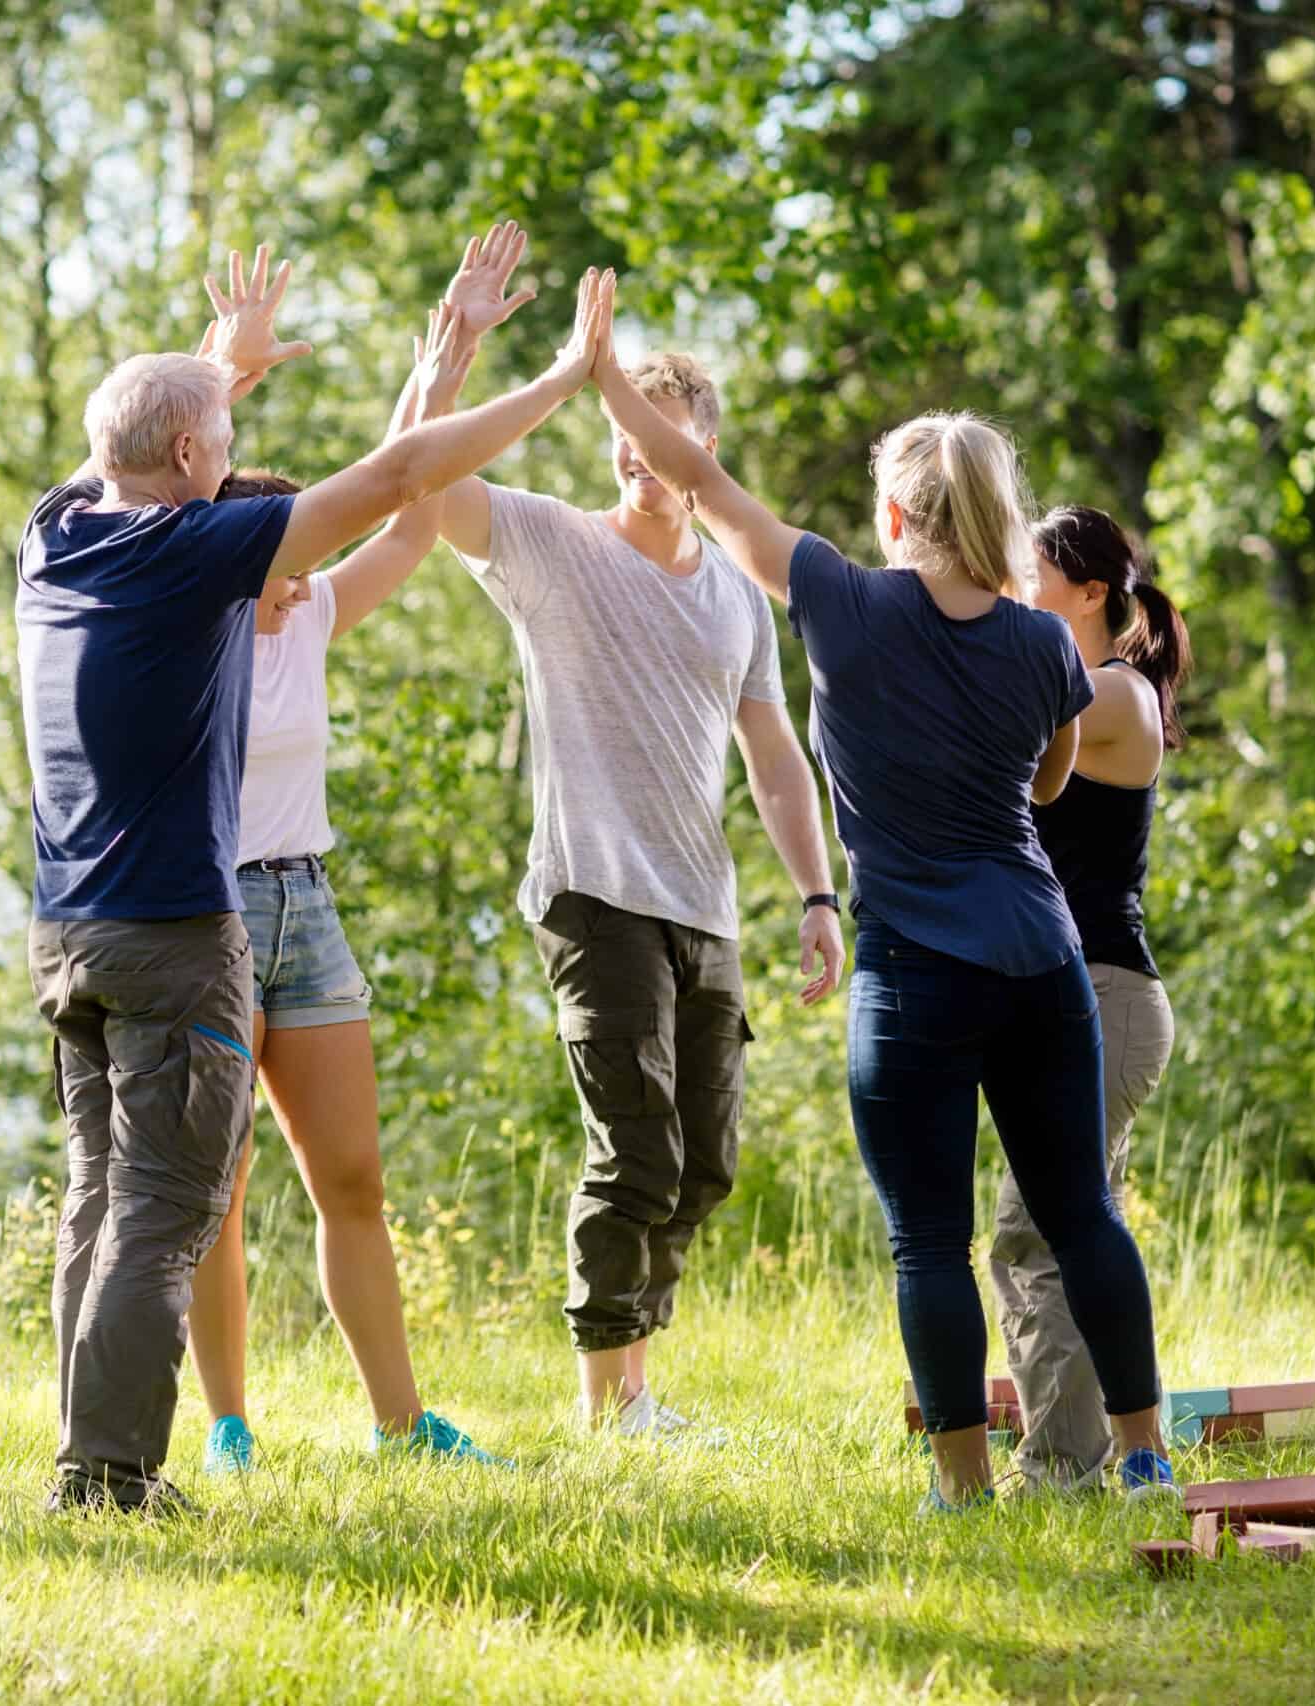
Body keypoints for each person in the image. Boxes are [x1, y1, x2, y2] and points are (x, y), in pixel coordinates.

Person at [18, 242, 615, 1514]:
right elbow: (404, 475)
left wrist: (217, 363)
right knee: (170, 1211)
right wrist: (567, 374)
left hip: (69, 928)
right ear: (193, 466)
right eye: (221, 433)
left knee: (102, 1194)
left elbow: (138, 438)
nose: (230, 449)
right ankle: (110, 1476)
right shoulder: (194, 556)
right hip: (174, 927)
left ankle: (87, 1456)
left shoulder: (55, 532)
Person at [589, 305, 1176, 1510]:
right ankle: (1145, 1457)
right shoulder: (1042, 645)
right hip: (1042, 958)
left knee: (929, 1237)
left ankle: (961, 1486)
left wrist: (600, 373)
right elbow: (1050, 778)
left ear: (897, 514)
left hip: (914, 970)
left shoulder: (839, 603)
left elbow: (695, 476)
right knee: (1081, 1212)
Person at [427, 270, 845, 1437]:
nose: (632, 457)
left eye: (656, 440)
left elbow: (772, 753)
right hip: (589, 890)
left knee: (702, 1160)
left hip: (703, 906)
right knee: (634, 1146)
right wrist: (465, 360)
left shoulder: (736, 599)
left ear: (701, 450)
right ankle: (608, 1403)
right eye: (617, 436)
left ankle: (636, 1391)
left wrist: (816, 892)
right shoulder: (551, 545)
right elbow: (426, 478)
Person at [188, 228, 538, 1474]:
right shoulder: (195, 627)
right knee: (212, 1196)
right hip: (207, 919)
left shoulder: (316, 609)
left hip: (306, 912)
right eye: (279, 548)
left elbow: (397, 498)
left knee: (354, 1177)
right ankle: (228, 1425)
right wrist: (212, 370)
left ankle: (402, 1424)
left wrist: (448, 357)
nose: (300, 565)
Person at [993, 504, 1193, 1491]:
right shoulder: (1091, 684)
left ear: (1084, 590)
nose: (1008, 580)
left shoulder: (1112, 695)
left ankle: (1060, 1468)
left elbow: (1013, 757)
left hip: (1104, 995)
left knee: (1032, 1226)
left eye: (1024, 568)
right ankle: (1131, 1452)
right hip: (1081, 993)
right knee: (1076, 1223)